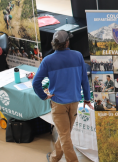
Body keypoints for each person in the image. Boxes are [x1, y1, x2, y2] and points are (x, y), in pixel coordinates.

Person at [33, 30, 91, 162]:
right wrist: (87, 98)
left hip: (58, 103)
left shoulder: (48, 60)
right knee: (65, 134)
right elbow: (84, 80)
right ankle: (54, 158)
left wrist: (43, 96)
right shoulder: (78, 56)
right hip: (75, 101)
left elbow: (36, 82)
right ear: (67, 43)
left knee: (64, 135)